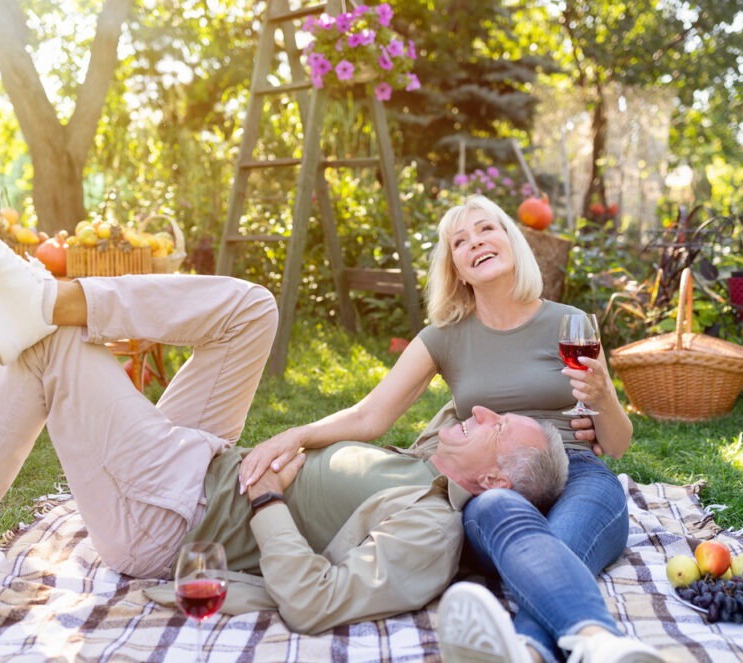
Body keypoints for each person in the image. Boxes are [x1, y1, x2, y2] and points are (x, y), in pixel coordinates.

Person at [0, 206, 570, 636]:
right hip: (203, 458)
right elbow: (390, 408)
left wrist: (264, 502)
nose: (479, 409)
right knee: (252, 309)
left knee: (54, 352)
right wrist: (295, 437)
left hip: (173, 516)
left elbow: (317, 602)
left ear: (492, 478)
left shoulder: (428, 531)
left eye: (495, 423)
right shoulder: (432, 458)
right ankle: (50, 296)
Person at [239, 194, 664, 662]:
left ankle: (544, 648)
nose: (475, 242)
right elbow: (370, 415)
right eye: (460, 241)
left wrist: (603, 396)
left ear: (510, 240)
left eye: (486, 229)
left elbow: (618, 444)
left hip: (577, 468)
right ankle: (590, 645)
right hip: (493, 483)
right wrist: (296, 435)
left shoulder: (570, 323)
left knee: (562, 544)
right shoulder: (444, 336)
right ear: (457, 268)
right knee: (508, 518)